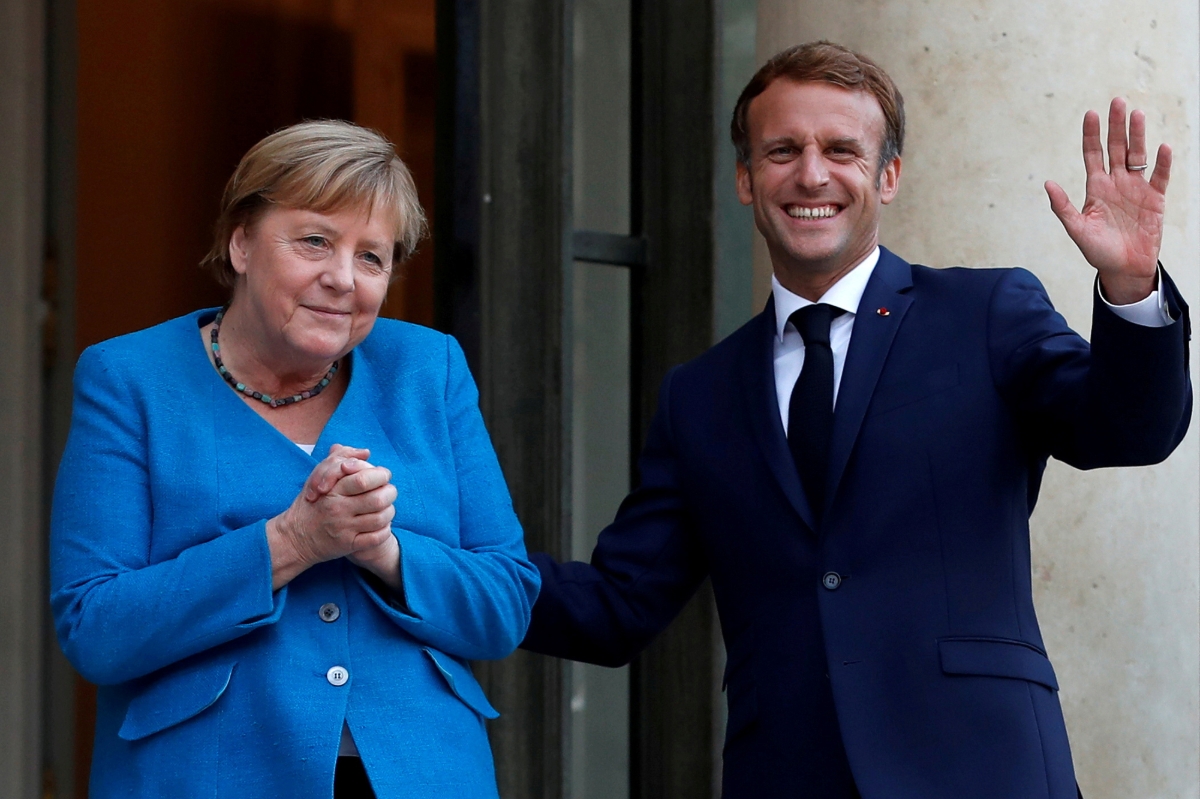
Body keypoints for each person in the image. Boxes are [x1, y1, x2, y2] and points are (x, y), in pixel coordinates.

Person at [520, 42, 1191, 799]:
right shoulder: (699, 395)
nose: (811, 173)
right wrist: (415, 559)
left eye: (842, 149)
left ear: (889, 175)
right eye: (782, 150)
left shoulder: (985, 314)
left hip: (983, 772)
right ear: (745, 178)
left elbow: (1129, 429)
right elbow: (615, 606)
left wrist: (1131, 287)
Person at [50, 120, 539, 798]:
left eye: (373, 257)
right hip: (209, 775)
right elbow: (95, 626)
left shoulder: (430, 368)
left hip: (421, 773)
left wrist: (382, 550)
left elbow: (504, 603)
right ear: (241, 241)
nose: (343, 278)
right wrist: (291, 542)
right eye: (315, 241)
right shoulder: (128, 378)